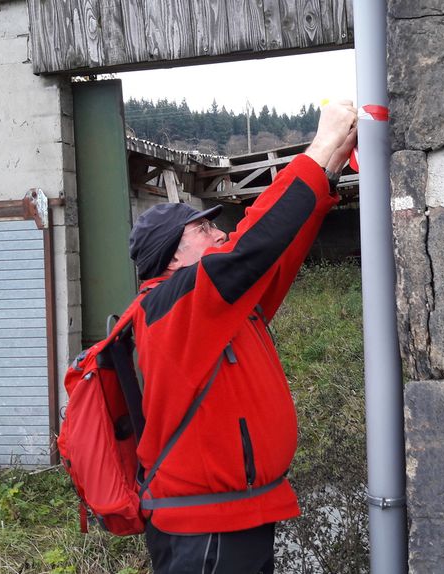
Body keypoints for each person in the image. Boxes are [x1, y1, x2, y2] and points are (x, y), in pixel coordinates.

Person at [125, 101, 358, 573]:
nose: (218, 235)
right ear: (172, 259)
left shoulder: (218, 307)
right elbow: (255, 241)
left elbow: (276, 248)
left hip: (234, 514)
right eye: (204, 229)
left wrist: (329, 168)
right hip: (205, 526)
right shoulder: (175, 303)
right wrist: (318, 145)